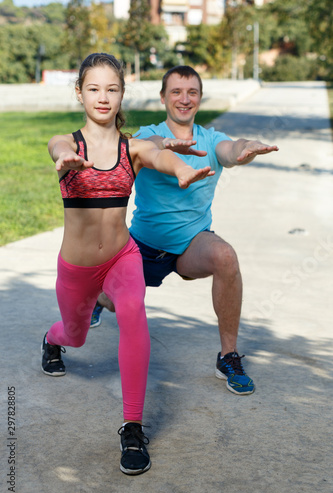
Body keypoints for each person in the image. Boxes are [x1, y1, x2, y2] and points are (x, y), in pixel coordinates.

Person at [41, 54, 214, 476]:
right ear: (79, 92)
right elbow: (57, 147)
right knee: (75, 336)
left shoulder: (131, 147)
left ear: (122, 95)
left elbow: (160, 157)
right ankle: (51, 338)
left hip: (123, 256)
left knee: (134, 314)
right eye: (94, 88)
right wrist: (64, 159)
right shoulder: (67, 143)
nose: (103, 97)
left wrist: (184, 170)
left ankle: (132, 426)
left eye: (112, 89)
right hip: (78, 270)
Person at [91, 65, 278, 396]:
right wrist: (166, 143)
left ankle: (228, 356)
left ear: (200, 98)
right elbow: (142, 145)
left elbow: (231, 149)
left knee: (225, 257)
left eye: (192, 92)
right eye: (176, 91)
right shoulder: (150, 133)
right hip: (145, 245)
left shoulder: (211, 139)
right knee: (113, 299)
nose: (184, 98)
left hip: (192, 245)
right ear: (163, 97)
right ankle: (100, 298)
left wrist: (248, 148)